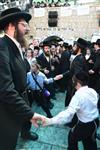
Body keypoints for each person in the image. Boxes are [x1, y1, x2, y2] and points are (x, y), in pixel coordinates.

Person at [0, 7, 45, 150]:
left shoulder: (16, 45)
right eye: (24, 25)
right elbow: (6, 89)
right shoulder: (2, 47)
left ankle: (25, 133)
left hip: (23, 95)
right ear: (11, 26)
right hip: (8, 108)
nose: (28, 29)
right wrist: (30, 113)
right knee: (8, 142)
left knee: (26, 123)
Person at [43, 71, 99, 150]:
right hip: (95, 122)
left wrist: (50, 121)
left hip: (85, 125)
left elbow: (68, 115)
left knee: (72, 137)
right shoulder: (92, 91)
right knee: (89, 142)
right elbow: (96, 97)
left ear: (78, 83)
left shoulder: (78, 96)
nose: (72, 82)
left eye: (73, 81)